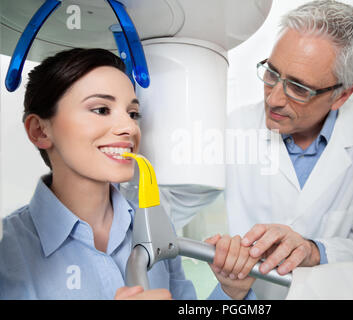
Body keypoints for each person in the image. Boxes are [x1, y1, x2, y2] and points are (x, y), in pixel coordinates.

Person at [169, 0, 353, 299]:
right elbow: (170, 204)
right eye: (271, 73)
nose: (273, 99)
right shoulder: (235, 129)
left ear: (342, 94)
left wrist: (314, 251)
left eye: (299, 88)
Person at [0, 48, 258, 300]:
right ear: (40, 131)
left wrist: (231, 293)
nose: (129, 128)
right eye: (101, 109)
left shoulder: (154, 226)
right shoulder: (8, 249)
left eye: (133, 113)